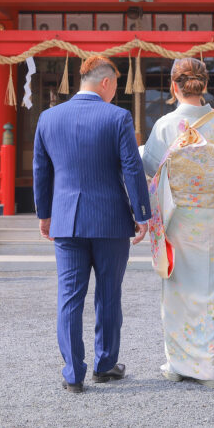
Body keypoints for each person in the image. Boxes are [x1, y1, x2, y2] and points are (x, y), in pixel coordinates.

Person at [33, 55, 151, 394]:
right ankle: (105, 364)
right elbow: (131, 167)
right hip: (111, 220)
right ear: (106, 83)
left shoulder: (48, 118)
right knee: (108, 294)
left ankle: (73, 374)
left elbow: (41, 171)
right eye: (116, 85)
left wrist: (45, 215)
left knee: (69, 297)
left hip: (67, 220)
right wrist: (142, 214)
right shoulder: (117, 117)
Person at [141, 57, 214, 389]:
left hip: (180, 219)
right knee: (212, 292)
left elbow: (150, 168)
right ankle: (209, 369)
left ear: (174, 86)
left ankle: (178, 364)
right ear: (204, 86)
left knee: (177, 291)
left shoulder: (165, 124)